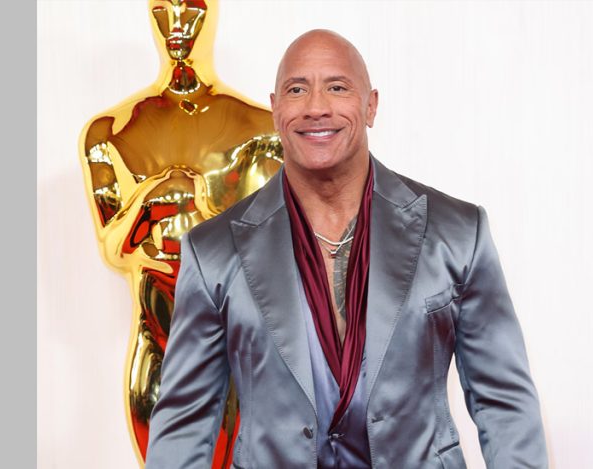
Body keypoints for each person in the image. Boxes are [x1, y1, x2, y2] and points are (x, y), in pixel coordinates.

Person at [146, 29, 547, 468]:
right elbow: (184, 426)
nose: (316, 107)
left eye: (337, 88)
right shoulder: (213, 251)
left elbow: (504, 402)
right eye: (297, 90)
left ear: (371, 105)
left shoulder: (457, 232)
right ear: (275, 109)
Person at [78, 0, 281, 463]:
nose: (175, 24)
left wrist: (202, 206)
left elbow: (273, 253)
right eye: (161, 10)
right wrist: (149, 203)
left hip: (233, 339)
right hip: (156, 336)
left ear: (214, 13)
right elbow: (113, 250)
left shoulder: (261, 132)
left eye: (190, 9)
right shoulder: (108, 133)